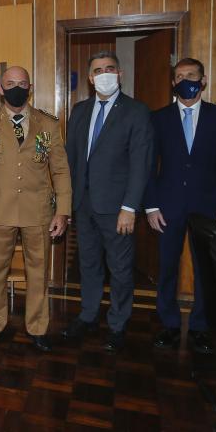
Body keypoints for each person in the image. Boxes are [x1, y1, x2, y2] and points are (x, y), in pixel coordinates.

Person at [144, 57, 216, 354]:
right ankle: (169, 324)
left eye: (191, 75)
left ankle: (200, 327)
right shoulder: (158, 118)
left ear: (203, 80)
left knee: (205, 269)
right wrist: (151, 206)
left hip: (208, 207)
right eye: (180, 76)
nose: (185, 80)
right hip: (167, 207)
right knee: (167, 267)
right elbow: (149, 166)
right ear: (173, 82)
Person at [0, 66, 71, 353]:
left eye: (22, 83)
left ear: (30, 88)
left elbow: (61, 170)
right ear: (0, 89)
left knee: (38, 274)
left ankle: (38, 327)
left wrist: (63, 210)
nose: (17, 88)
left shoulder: (48, 124)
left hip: (38, 212)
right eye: (10, 83)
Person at [61, 51, 153, 353]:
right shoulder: (79, 110)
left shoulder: (136, 111)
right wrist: (67, 203)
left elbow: (141, 164)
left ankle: (117, 324)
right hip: (83, 205)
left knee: (120, 268)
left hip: (117, 208)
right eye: (98, 70)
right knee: (88, 264)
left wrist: (130, 207)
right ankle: (88, 316)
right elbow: (71, 160)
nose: (104, 74)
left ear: (120, 74)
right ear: (90, 78)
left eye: (109, 69)